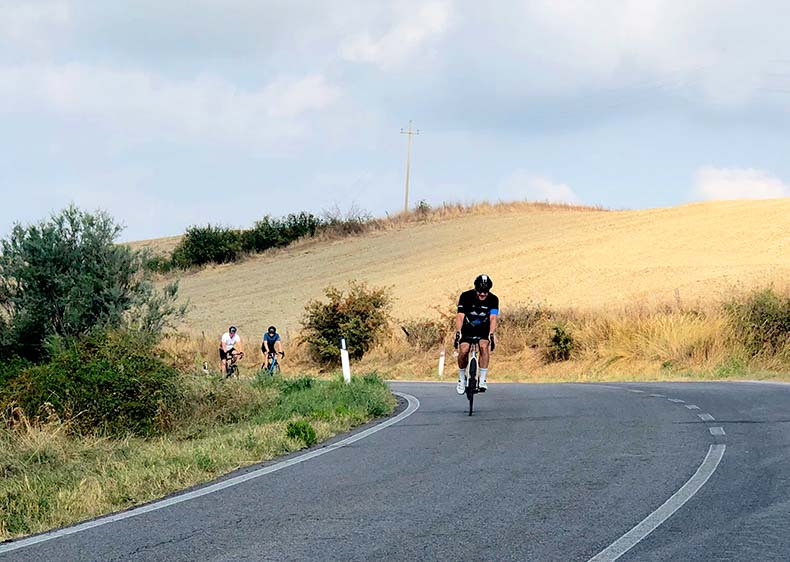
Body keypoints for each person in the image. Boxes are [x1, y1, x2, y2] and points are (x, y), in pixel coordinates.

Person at [454, 274, 498, 394]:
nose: (482, 294)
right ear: (475, 289)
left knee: (484, 346)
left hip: (483, 329)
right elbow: (460, 316)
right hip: (467, 328)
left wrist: (491, 333)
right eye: (480, 291)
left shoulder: (494, 299)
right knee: (464, 350)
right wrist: (458, 331)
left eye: (485, 291)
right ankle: (461, 379)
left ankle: (482, 379)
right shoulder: (465, 296)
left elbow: (493, 318)